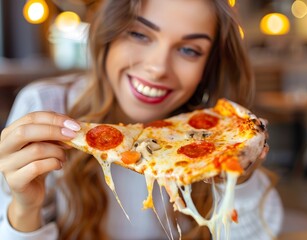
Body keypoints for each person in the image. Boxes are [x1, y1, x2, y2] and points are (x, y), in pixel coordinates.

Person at [0, 0, 283, 239]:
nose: (158, 67)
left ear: (208, 67)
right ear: (108, 35)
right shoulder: (45, 106)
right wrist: (25, 208)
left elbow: (261, 232)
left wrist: (238, 180)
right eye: (139, 34)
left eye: (189, 50)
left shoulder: (223, 132)